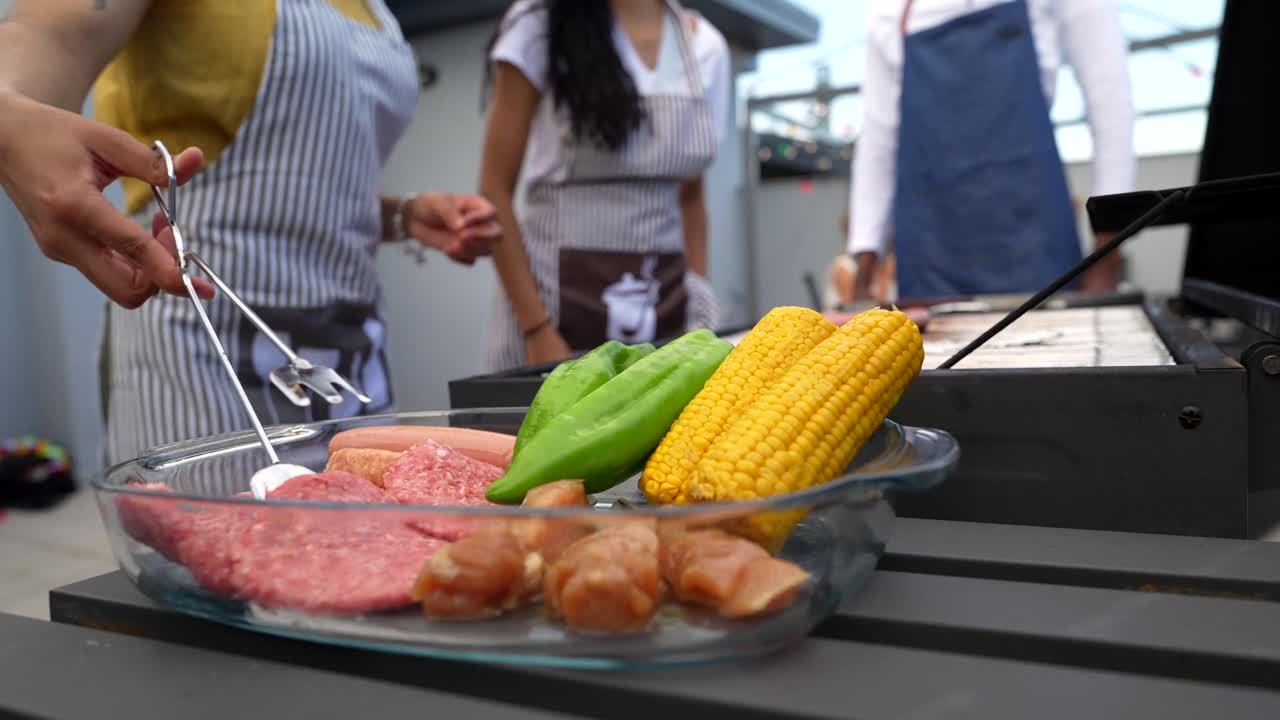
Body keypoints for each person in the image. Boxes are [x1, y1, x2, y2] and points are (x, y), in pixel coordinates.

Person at [0, 0, 501, 465]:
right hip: (201, 361)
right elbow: (51, 35)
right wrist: (9, 111)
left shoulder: (372, 9)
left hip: (350, 359)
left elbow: (299, 184)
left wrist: (401, 215)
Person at [478, 0, 731, 370]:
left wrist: (698, 294)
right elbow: (493, 190)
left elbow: (691, 198)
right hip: (552, 316)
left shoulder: (706, 46)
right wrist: (537, 330)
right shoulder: (539, 23)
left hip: (666, 311)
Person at [847, 0, 1136, 302]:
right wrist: (863, 271)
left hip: (1033, 239)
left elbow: (1110, 104)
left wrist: (1107, 253)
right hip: (929, 254)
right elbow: (877, 142)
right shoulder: (889, 11)